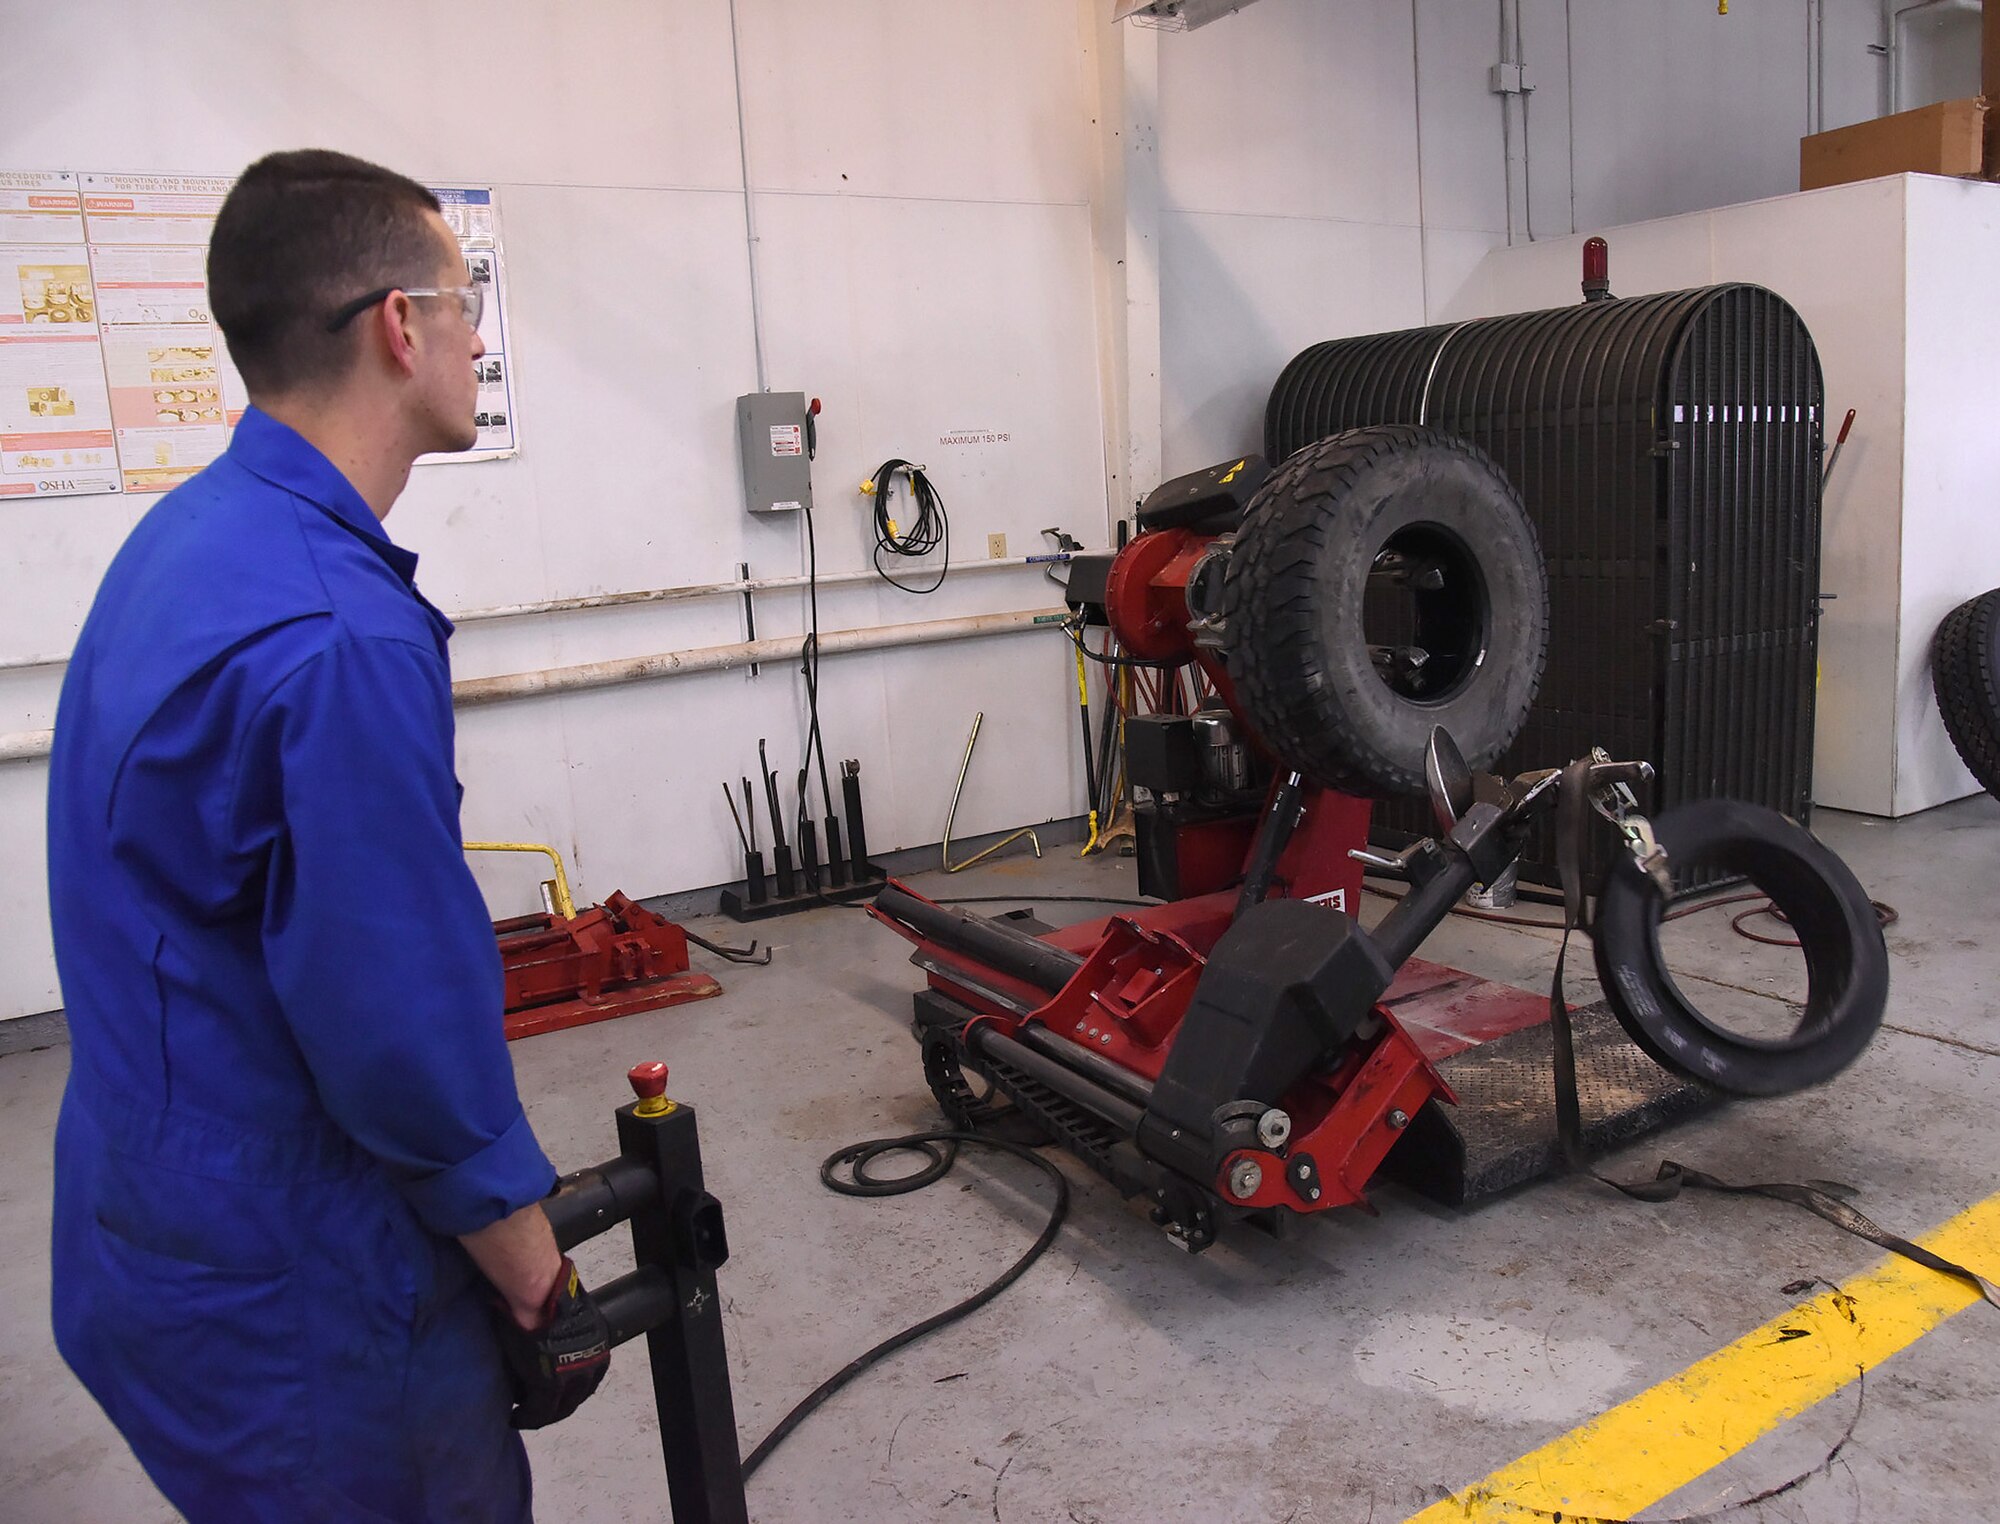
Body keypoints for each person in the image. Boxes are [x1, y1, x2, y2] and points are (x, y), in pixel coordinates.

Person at [46, 149, 608, 1523]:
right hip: (300, 1290)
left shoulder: (189, 543)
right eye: (465, 300)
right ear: (396, 326)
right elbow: (400, 1034)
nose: (480, 336)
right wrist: (536, 1273)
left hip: (151, 1217)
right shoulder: (337, 637)